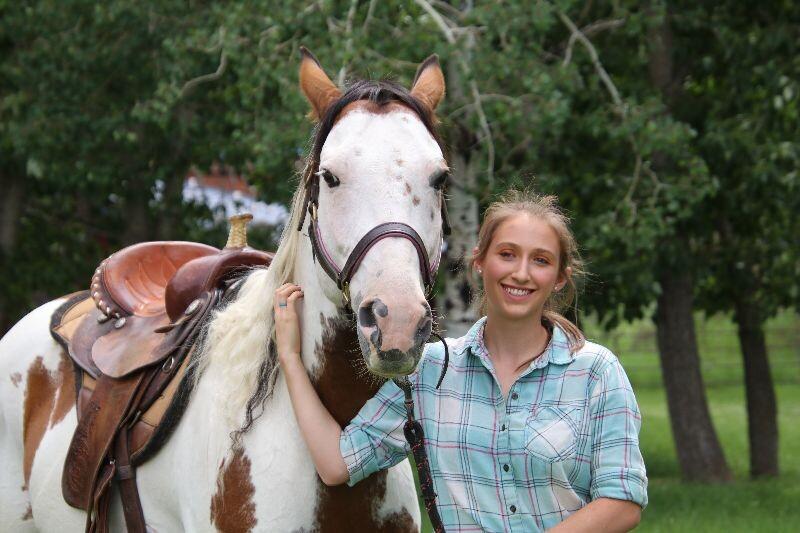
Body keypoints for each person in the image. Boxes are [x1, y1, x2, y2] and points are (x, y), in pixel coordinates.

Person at [274, 188, 647, 532]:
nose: (521, 273)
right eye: (507, 254)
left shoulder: (596, 372)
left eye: (541, 260)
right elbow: (337, 464)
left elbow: (623, 500)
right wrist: (290, 356)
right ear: (480, 261)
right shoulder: (430, 372)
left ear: (560, 278)